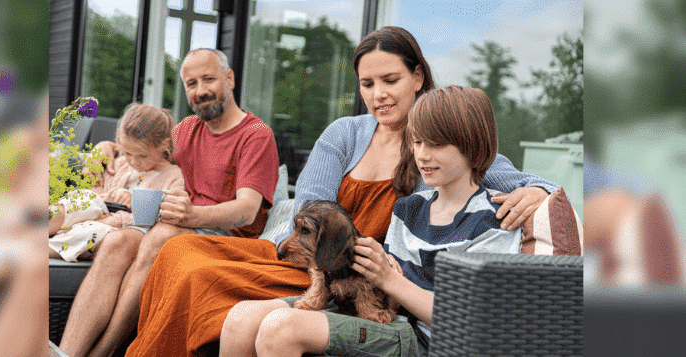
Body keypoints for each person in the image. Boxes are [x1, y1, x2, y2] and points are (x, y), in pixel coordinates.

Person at [126, 26, 558, 356]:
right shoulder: (345, 133)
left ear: (418, 77)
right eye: (367, 85)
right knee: (178, 252)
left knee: (194, 270)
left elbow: (502, 174)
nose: (379, 95)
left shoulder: (439, 146)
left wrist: (539, 191)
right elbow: (312, 207)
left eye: (390, 80)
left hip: (364, 276)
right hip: (310, 257)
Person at [220, 85, 522, 357]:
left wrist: (390, 280)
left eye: (437, 144)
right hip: (384, 320)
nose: (423, 155)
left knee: (281, 328)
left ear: (472, 146)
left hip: (425, 340)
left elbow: (474, 323)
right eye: (416, 143)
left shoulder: (493, 221)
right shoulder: (409, 208)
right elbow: (384, 279)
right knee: (240, 318)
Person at [58, 48, 279, 357]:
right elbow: (145, 153)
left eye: (208, 79)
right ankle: (66, 353)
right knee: (117, 242)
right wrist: (108, 147)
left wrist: (193, 215)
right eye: (191, 83)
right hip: (175, 224)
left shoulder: (256, 135)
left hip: (226, 238)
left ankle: (103, 353)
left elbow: (246, 211)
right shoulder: (186, 129)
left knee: (160, 236)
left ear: (228, 78)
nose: (200, 91)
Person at [48, 103, 185, 262]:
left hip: (121, 230)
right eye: (127, 153)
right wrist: (113, 195)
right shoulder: (120, 164)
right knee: (83, 200)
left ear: (164, 145)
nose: (133, 161)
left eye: (142, 156)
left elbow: (164, 221)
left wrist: (126, 209)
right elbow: (95, 194)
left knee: (95, 229)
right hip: (94, 215)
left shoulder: (173, 177)